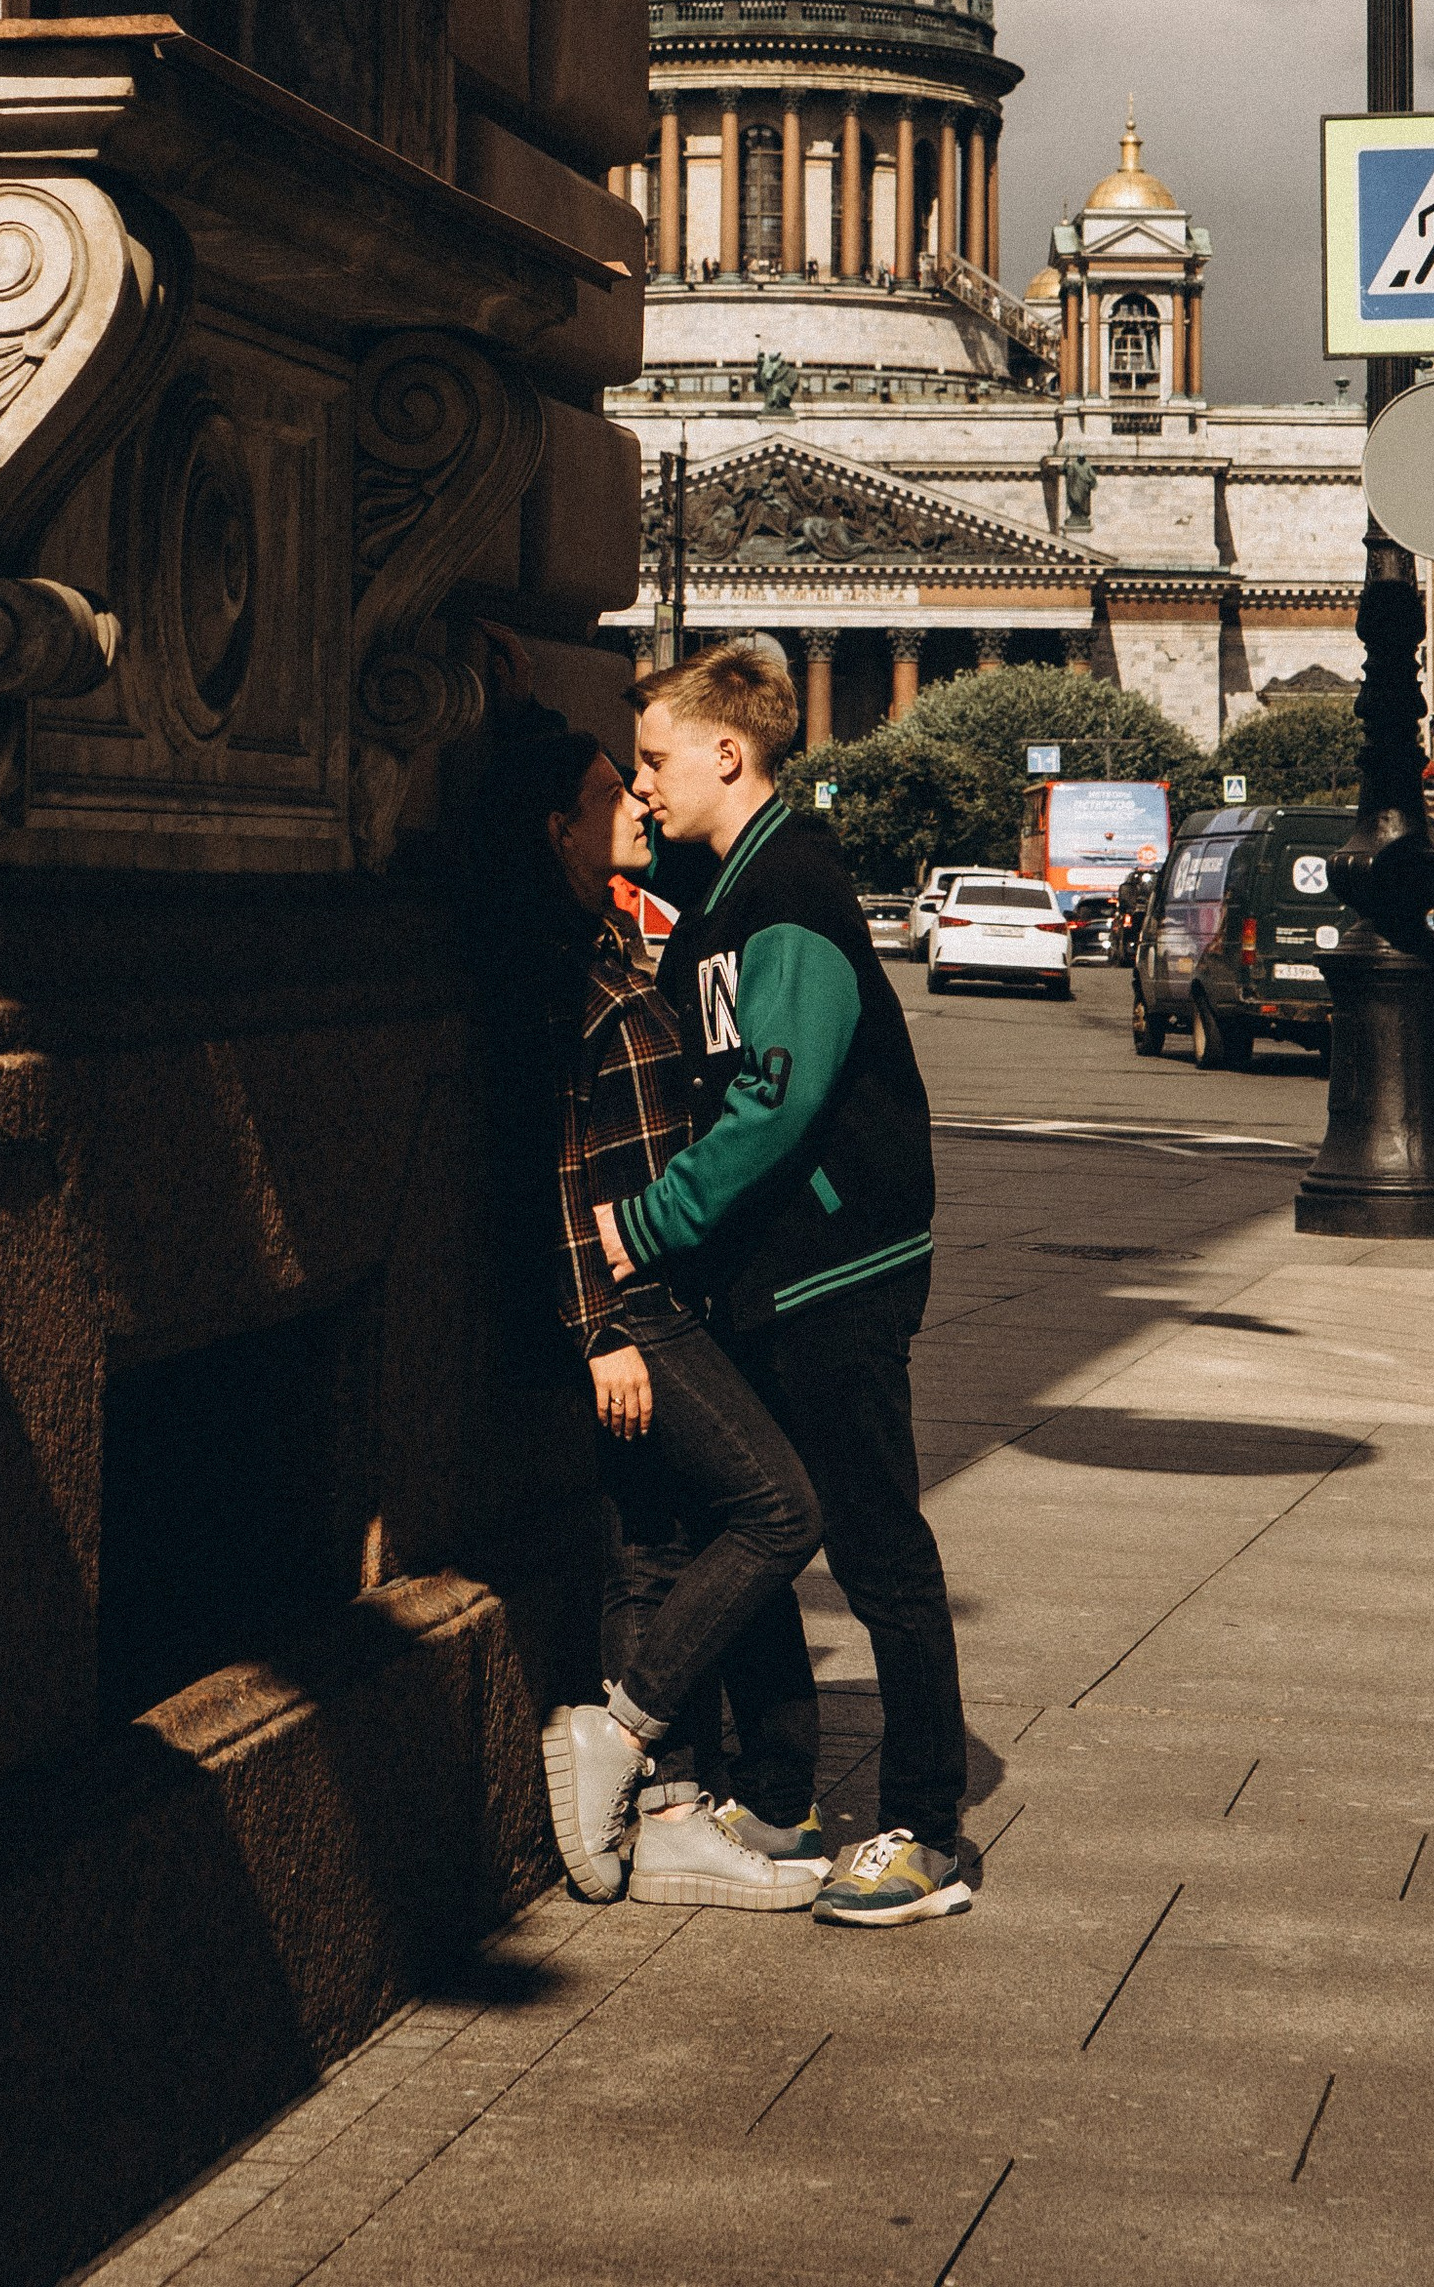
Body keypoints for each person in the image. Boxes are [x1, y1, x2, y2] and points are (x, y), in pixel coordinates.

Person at [602, 640, 973, 1929]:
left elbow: (776, 1102)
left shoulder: (792, 889)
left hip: (837, 1270)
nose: (641, 785)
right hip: (763, 1275)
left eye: (654, 760)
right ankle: (776, 1799)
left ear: (727, 753)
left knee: (877, 1549)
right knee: (754, 1527)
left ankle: (928, 1830)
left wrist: (648, 1224)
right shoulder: (717, 892)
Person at [480, 699, 828, 1919]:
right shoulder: (548, 971)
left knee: (653, 1540)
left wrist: (505, 678)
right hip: (629, 1304)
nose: (633, 797)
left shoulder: (609, 934)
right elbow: (547, 1167)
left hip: (661, 1289)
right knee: (780, 1509)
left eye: (638, 775)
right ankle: (620, 1733)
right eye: (605, 789)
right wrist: (600, 1331)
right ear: (555, 830)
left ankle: (670, 1818)